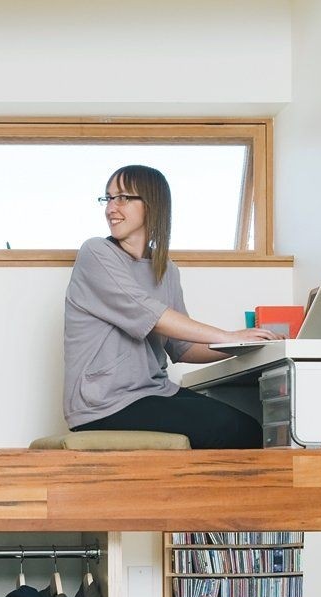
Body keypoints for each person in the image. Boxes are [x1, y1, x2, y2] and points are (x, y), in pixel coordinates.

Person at [63, 166, 274, 448]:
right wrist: (228, 336)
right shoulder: (96, 254)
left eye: (123, 198)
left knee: (250, 425)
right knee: (235, 429)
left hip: (152, 392)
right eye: (108, 198)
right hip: (105, 402)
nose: (111, 208)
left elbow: (182, 348)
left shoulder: (166, 270)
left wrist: (248, 343)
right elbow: (153, 315)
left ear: (151, 204)